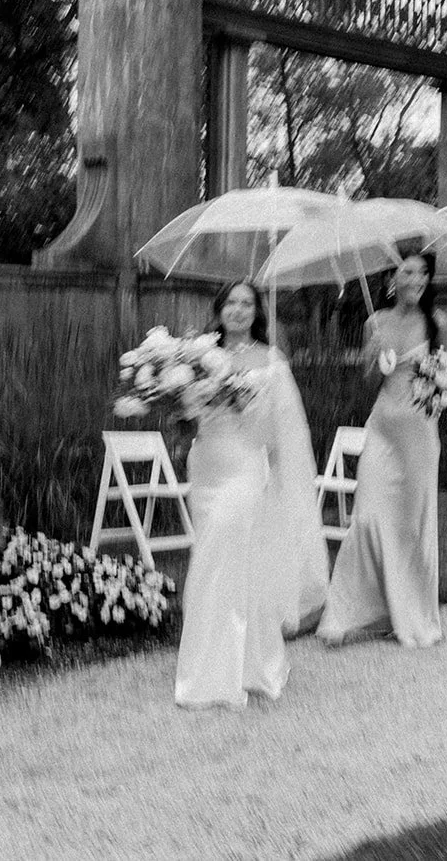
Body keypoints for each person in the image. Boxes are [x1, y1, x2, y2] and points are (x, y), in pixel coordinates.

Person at [174, 281, 327, 709]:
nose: (239, 310)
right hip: (206, 465)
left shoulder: (271, 360)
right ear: (219, 309)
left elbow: (282, 430)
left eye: (247, 303)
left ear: (257, 311)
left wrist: (273, 471)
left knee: (228, 553)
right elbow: (186, 419)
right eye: (231, 303)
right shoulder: (196, 355)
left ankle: (240, 668)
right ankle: (209, 663)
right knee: (210, 557)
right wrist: (185, 406)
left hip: (244, 466)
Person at [318, 252, 447, 648]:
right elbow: (365, 387)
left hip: (419, 434)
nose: (416, 279)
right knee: (367, 518)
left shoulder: (439, 323)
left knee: (412, 527)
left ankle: (411, 616)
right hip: (380, 429)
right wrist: (371, 355)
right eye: (408, 271)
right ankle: (351, 614)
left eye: (423, 272)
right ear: (393, 278)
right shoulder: (373, 322)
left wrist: (441, 390)